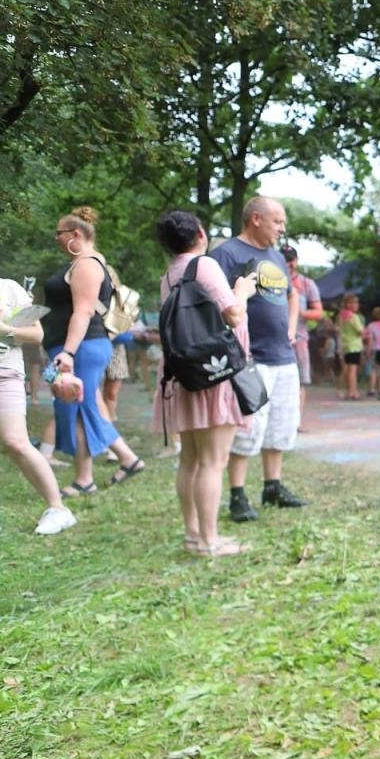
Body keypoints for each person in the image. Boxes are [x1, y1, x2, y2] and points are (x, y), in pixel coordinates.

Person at [151, 210, 257, 557]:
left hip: (183, 372)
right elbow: (234, 314)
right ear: (199, 233)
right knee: (213, 460)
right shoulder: (205, 265)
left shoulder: (168, 275)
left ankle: (193, 535)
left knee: (191, 460)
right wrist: (242, 290)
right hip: (212, 371)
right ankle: (210, 542)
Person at [0, 222, 76, 534]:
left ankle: (58, 508)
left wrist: (4, 329)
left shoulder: (7, 288)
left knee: (14, 441)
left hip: (2, 373)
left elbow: (35, 333)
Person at [210, 196, 305, 522]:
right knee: (247, 429)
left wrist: (291, 328)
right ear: (255, 218)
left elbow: (292, 297)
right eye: (277, 222)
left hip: (283, 356)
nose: (281, 229)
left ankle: (272, 486)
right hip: (250, 358)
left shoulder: (276, 256)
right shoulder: (226, 254)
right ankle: (237, 495)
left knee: (280, 424)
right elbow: (211, 300)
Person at [43, 207, 147, 496]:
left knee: (78, 410)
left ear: (76, 234)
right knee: (84, 407)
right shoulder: (82, 263)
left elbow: (84, 312)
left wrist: (68, 353)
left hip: (82, 347)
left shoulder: (86, 264)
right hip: (77, 347)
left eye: (58, 233)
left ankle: (85, 478)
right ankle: (127, 459)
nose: (55, 239)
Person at [283, 245, 323, 428]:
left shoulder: (307, 284)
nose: (288, 263)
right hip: (276, 339)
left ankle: (296, 423)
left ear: (296, 261)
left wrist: (302, 312)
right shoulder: (269, 280)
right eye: (284, 259)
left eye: (291, 259)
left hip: (299, 339)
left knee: (299, 383)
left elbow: (319, 312)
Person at [337, 294, 364, 399]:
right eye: (355, 303)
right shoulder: (354, 316)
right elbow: (360, 331)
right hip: (354, 346)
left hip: (346, 345)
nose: (357, 305)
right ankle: (353, 392)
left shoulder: (342, 316)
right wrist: (366, 334)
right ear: (348, 304)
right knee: (353, 370)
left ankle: (349, 390)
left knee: (347, 369)